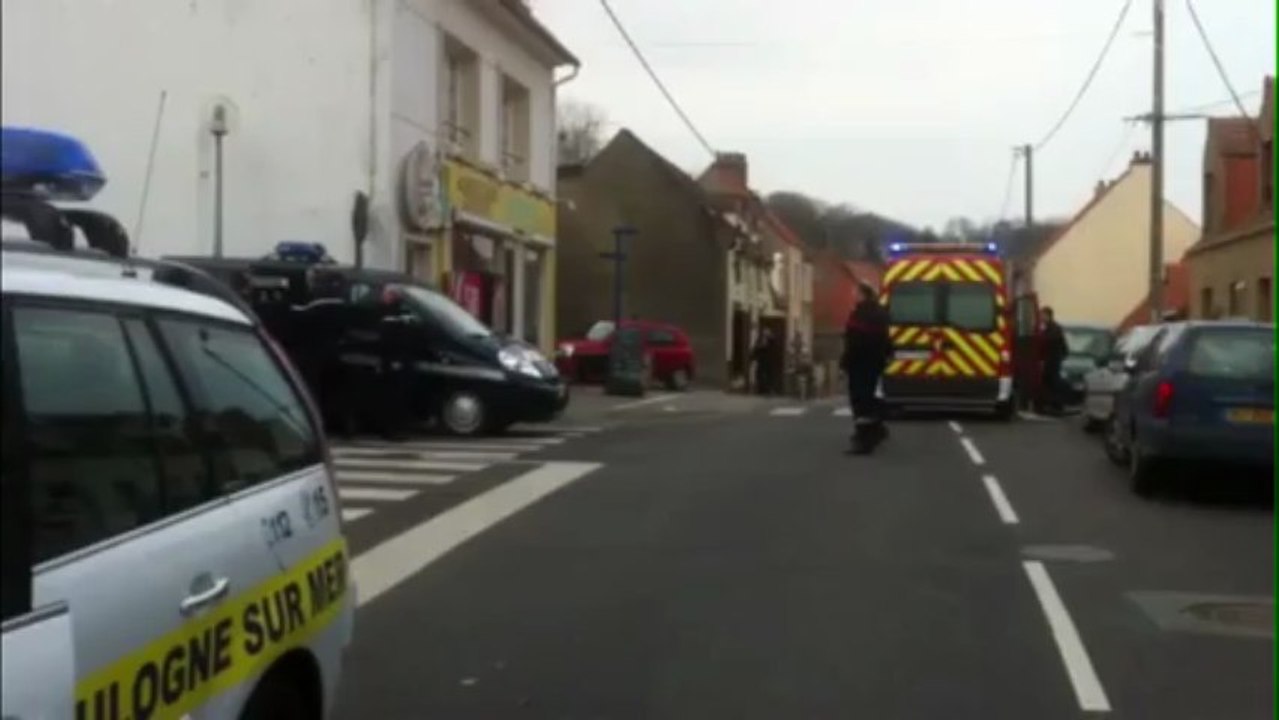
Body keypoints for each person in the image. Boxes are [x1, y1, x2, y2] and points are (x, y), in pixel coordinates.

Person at [841, 281, 893, 454]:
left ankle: (864, 440)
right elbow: (886, 339)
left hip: (860, 363)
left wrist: (845, 361)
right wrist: (887, 356)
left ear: (863, 294)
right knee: (870, 398)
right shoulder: (881, 313)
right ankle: (876, 428)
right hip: (875, 363)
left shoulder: (860, 314)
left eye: (855, 293)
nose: (853, 296)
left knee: (860, 401)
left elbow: (854, 341)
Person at [1038, 306, 1069, 415]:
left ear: (1048, 315)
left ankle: (1057, 406)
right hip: (1051, 360)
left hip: (1053, 360)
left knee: (1053, 383)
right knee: (1048, 383)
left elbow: (1050, 342)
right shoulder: (1048, 328)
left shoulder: (1054, 328)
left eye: (1042, 315)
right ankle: (1049, 405)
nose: (1041, 317)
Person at [751, 327, 778, 395]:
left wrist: (770, 336)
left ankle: (770, 389)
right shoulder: (759, 340)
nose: (765, 333)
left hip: (769, 360)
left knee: (770, 375)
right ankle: (760, 389)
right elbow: (755, 349)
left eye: (767, 332)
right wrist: (754, 357)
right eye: (764, 332)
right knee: (759, 374)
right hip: (761, 360)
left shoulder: (771, 339)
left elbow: (774, 345)